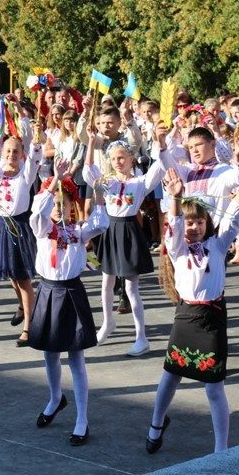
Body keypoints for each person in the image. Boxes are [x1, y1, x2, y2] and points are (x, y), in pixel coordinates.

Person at [145, 159, 239, 455]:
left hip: (212, 318)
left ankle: (221, 448)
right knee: (171, 374)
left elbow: (234, 213)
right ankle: (156, 424)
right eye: (190, 222)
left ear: (208, 223)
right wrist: (175, 198)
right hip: (186, 316)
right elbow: (172, 228)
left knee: (213, 385)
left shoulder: (218, 245)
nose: (194, 227)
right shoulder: (178, 249)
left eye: (199, 222)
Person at [28, 158, 107, 446]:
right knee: (50, 353)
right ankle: (55, 398)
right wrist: (53, 184)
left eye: (65, 203)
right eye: (55, 203)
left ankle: (82, 418)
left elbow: (101, 222)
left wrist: (97, 191)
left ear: (74, 205)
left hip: (71, 293)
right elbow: (37, 213)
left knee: (76, 357)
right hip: (48, 292)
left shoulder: (79, 232)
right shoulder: (42, 230)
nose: (59, 207)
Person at [82, 123, 160, 357]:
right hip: (109, 231)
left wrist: (161, 141)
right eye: (114, 158)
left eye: (122, 157)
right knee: (106, 281)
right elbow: (88, 171)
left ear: (131, 159)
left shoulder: (140, 182)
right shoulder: (108, 182)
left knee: (131, 287)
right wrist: (91, 142)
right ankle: (107, 323)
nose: (118, 162)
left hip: (128, 232)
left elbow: (159, 168)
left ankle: (141, 337)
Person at [0, 116, 43, 347]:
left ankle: (29, 327)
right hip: (1, 227)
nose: (12, 155)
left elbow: (35, 158)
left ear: (22, 154)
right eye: (8, 151)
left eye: (16, 151)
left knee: (23, 279)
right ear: (2, 153)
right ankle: (22, 306)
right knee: (12, 276)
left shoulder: (25, 173)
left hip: (20, 227)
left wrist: (35, 139)